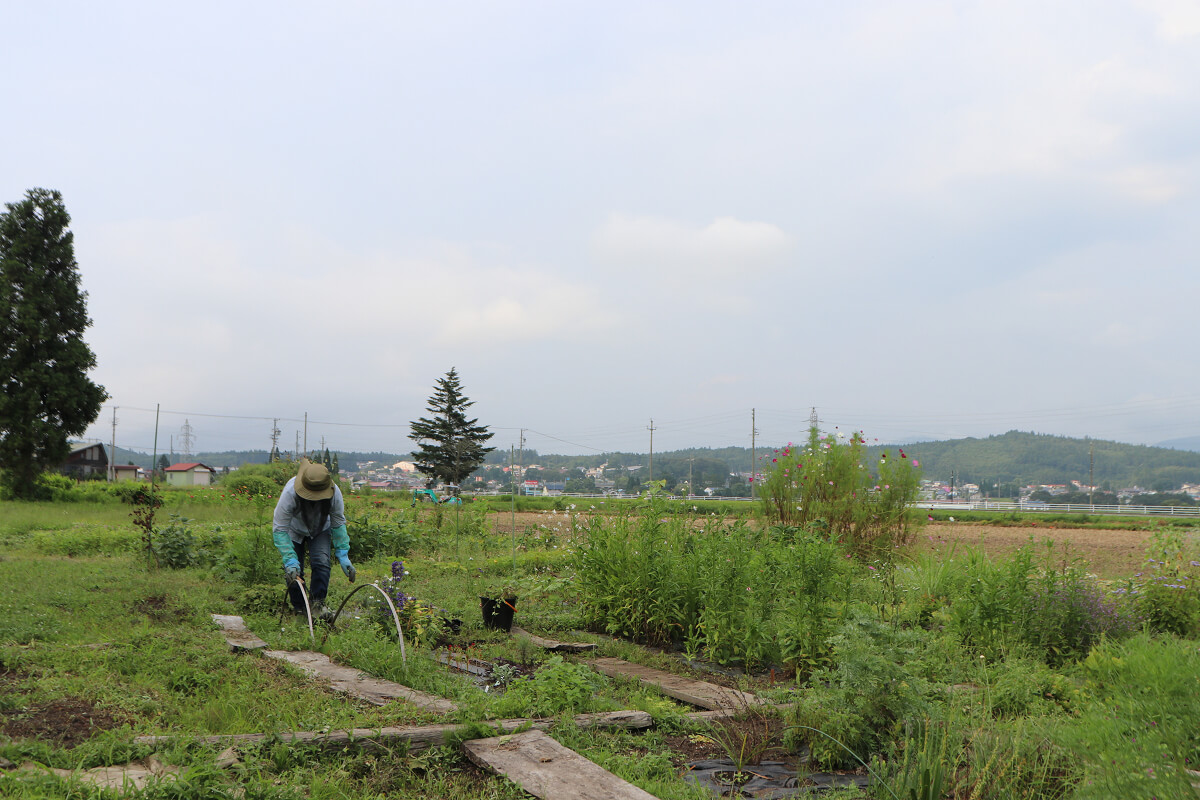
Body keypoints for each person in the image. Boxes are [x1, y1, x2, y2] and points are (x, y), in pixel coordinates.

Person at [272, 459, 355, 619]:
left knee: (322, 564)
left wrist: (343, 554)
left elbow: (338, 523)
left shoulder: (334, 492)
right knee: (295, 572)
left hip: (320, 529)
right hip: (294, 530)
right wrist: (289, 558)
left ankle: (317, 606)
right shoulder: (290, 493)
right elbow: (280, 529)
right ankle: (300, 609)